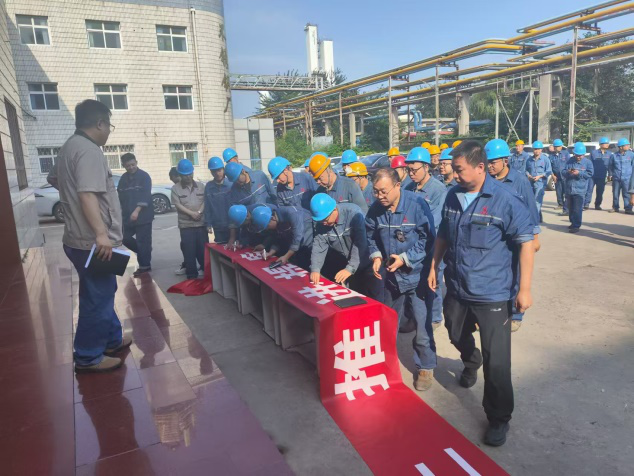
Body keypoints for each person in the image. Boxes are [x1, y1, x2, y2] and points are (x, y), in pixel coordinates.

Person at [428, 140, 535, 447]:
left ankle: (499, 418)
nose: (454, 175)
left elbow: (527, 243)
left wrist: (524, 289)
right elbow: (444, 233)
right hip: (458, 285)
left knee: (497, 361)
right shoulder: (453, 195)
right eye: (453, 169)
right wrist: (434, 265)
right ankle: (470, 360)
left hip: (492, 292)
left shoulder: (505, 200)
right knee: (454, 331)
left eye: (459, 169)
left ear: (479, 167)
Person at [49, 99, 130, 373]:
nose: (108, 132)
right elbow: (86, 194)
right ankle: (88, 356)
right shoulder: (89, 150)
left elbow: (54, 179)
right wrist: (101, 234)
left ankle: (112, 340)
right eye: (109, 126)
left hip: (77, 238)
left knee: (102, 291)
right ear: (100, 123)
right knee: (97, 297)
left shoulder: (68, 147)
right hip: (92, 242)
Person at [366, 168, 437, 392]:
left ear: (397, 185)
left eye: (384, 191)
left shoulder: (417, 205)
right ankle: (385, 361)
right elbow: (370, 236)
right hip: (392, 276)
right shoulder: (376, 209)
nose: (380, 196)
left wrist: (406, 258)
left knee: (422, 325)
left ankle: (425, 366)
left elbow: (429, 239)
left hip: (417, 275)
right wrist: (376, 256)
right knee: (389, 322)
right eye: (376, 191)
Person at [485, 139, 541, 332]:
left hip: (516, 234)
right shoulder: (486, 180)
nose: (490, 166)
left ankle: (516, 314)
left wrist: (535, 236)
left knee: (516, 273)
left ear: (505, 161)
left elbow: (531, 209)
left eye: (493, 162)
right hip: (495, 235)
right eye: (487, 162)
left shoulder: (519, 181)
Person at [404, 147, 447, 330]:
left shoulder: (438, 190)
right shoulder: (408, 188)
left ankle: (435, 317)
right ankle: (417, 315)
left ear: (426, 167)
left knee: (433, 281)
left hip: (432, 244)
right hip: (412, 243)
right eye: (409, 170)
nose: (411, 174)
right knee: (415, 282)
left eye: (414, 170)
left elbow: (434, 222)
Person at [309, 194, 379, 297]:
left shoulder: (354, 213)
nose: (323, 223)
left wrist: (350, 268)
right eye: (320, 221)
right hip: (348, 265)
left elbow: (360, 242)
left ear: (334, 209)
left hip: (368, 263)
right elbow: (319, 246)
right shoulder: (321, 223)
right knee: (353, 298)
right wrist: (315, 269)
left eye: (326, 220)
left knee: (372, 297)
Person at [117, 153, 154, 277]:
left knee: (143, 241)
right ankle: (145, 251)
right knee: (124, 237)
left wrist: (137, 210)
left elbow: (146, 195)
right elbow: (120, 197)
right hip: (128, 216)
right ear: (124, 166)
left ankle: (145, 266)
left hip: (143, 216)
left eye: (133, 164)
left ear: (136, 162)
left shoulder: (144, 176)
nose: (131, 167)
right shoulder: (123, 179)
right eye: (128, 166)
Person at [171, 159, 207, 279]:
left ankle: (207, 273)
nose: (188, 177)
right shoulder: (175, 189)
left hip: (201, 224)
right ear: (180, 175)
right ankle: (191, 276)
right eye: (185, 175)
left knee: (203, 252)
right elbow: (178, 205)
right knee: (189, 252)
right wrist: (191, 214)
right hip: (186, 226)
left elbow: (205, 201)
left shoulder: (201, 186)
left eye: (190, 174)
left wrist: (199, 212)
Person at [250, 204, 313, 269]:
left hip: (309, 244)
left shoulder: (292, 214)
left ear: (272, 218)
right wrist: (270, 253)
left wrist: (286, 257)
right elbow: (278, 239)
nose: (268, 229)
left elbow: (297, 238)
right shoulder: (278, 219)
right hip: (298, 247)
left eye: (267, 226)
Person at [564, 143, 594, 233]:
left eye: (580, 155)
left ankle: (576, 226)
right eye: (577, 155)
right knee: (571, 208)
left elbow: (590, 174)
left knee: (577, 209)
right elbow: (563, 172)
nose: (578, 157)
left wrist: (579, 173)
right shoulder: (570, 161)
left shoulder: (588, 163)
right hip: (569, 189)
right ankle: (572, 222)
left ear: (584, 154)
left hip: (580, 190)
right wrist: (568, 172)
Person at [204, 157, 232, 244]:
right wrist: (208, 223)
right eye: (214, 171)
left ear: (223, 169)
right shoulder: (209, 187)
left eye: (219, 170)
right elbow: (207, 207)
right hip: (217, 226)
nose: (217, 173)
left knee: (234, 248)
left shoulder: (231, 185)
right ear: (211, 172)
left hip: (232, 226)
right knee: (220, 249)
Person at [526, 141, 552, 219]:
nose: (536, 151)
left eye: (538, 149)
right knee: (532, 201)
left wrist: (540, 176)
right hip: (531, 183)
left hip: (540, 183)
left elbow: (549, 171)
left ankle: (534, 219)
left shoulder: (545, 159)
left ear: (541, 150)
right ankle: (539, 217)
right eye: (535, 149)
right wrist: (528, 175)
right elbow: (526, 170)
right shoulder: (529, 160)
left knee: (537, 201)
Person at [608, 138, 634, 214]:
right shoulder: (614, 156)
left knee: (626, 194)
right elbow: (610, 166)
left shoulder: (631, 155)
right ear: (621, 147)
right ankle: (615, 207)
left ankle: (628, 208)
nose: (628, 146)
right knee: (615, 194)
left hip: (627, 178)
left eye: (628, 145)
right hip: (616, 178)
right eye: (626, 145)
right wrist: (610, 174)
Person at [587, 137, 611, 210]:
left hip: (602, 176)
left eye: (608, 143)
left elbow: (610, 165)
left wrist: (610, 174)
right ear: (601, 144)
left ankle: (597, 205)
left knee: (600, 191)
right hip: (592, 175)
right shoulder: (594, 153)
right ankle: (586, 204)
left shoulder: (609, 154)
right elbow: (589, 163)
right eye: (605, 143)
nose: (607, 145)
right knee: (589, 190)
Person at [549, 139, 570, 213]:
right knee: (559, 192)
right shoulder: (551, 156)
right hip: (557, 177)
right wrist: (553, 175)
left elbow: (569, 164)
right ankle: (560, 204)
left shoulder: (566, 153)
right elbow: (549, 167)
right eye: (556, 146)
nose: (558, 148)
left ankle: (567, 206)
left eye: (559, 146)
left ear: (561, 146)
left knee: (566, 192)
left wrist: (568, 173)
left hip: (565, 176)